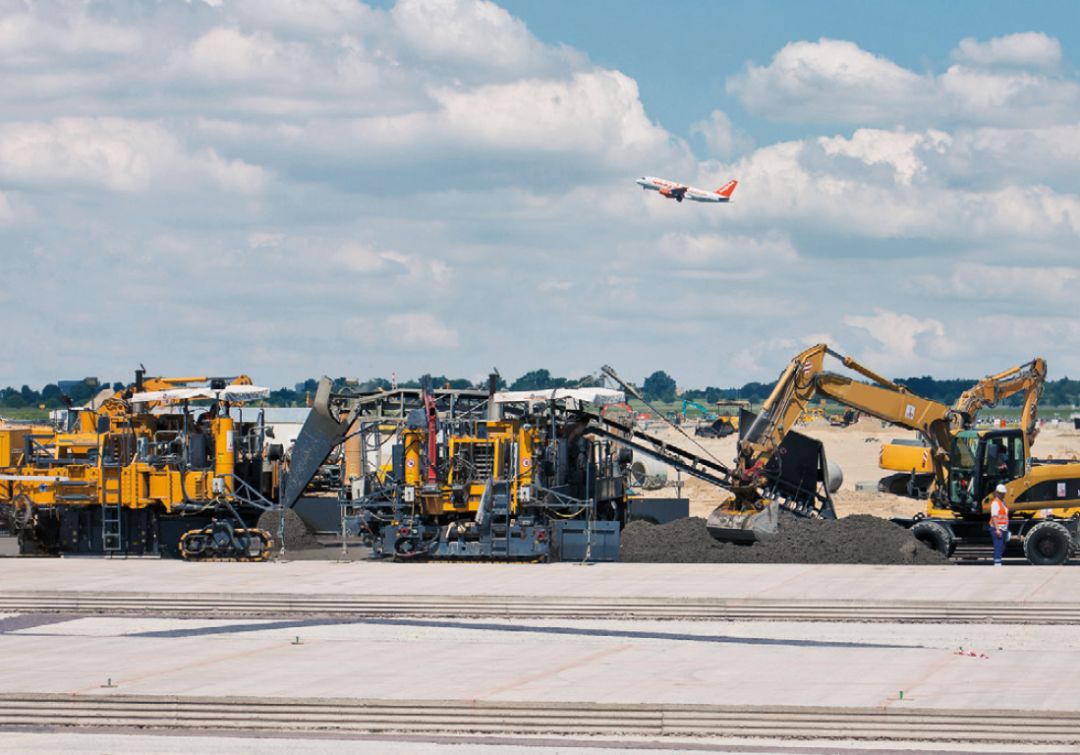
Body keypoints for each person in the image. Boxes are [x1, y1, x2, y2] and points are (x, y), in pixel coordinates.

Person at [989, 483, 1009, 566]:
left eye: (1003, 493)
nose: (1003, 495)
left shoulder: (1002, 503)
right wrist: (997, 529)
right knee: (998, 545)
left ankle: (998, 560)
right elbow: (994, 517)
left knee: (1002, 546)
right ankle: (997, 562)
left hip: (1003, 528)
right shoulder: (995, 503)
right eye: (1001, 493)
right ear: (997, 493)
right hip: (997, 528)